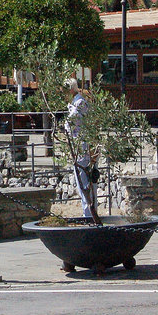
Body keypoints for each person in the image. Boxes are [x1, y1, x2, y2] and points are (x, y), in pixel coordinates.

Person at [62, 78, 97, 221]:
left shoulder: (80, 103)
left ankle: (89, 213)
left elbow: (72, 123)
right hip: (77, 146)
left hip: (82, 146)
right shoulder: (74, 103)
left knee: (84, 180)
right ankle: (88, 211)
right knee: (81, 180)